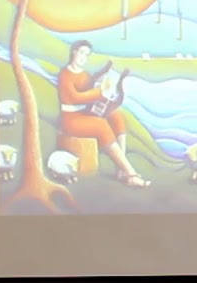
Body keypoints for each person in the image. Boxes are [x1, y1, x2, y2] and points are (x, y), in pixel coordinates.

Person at [56, 40, 151, 187]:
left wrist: (104, 90)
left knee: (117, 117)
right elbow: (75, 97)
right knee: (100, 125)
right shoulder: (65, 75)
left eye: (87, 55)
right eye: (81, 53)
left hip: (84, 113)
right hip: (71, 119)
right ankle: (131, 174)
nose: (83, 57)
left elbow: (92, 91)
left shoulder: (85, 74)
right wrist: (100, 92)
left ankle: (121, 170)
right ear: (74, 52)